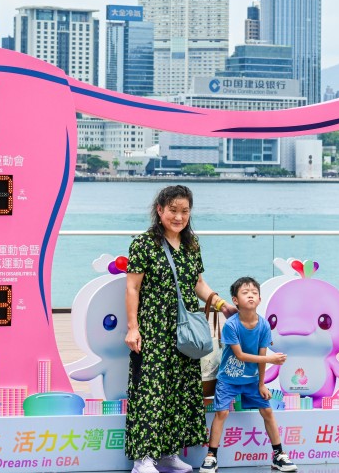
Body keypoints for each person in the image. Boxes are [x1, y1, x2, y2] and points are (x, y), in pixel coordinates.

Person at [125, 185, 238, 473]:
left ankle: (168, 455)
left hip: (185, 328)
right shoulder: (144, 243)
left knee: (180, 390)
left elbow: (197, 283)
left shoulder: (192, 244)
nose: (178, 216)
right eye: (173, 210)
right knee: (151, 390)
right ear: (159, 210)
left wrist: (222, 304)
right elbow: (132, 287)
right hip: (154, 327)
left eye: (184, 211)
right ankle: (144, 459)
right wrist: (133, 327)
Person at [199, 276, 296, 473]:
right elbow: (240, 355)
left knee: (267, 411)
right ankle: (211, 456)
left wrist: (261, 383)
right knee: (222, 413)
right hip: (228, 379)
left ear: (259, 299)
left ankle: (279, 455)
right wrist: (270, 360)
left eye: (254, 293)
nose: (250, 295)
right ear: (235, 300)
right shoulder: (231, 325)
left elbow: (261, 354)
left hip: (251, 380)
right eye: (245, 293)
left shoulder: (264, 326)